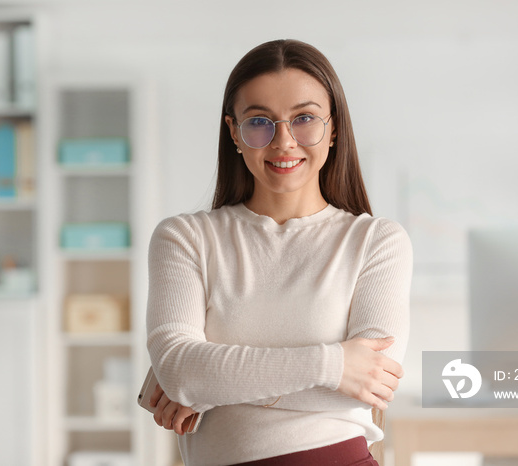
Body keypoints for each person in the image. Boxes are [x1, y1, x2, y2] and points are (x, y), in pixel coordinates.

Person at [146, 39, 412, 466]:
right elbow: (180, 371)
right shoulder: (185, 237)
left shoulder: (376, 241)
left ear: (335, 127)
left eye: (304, 118)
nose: (284, 141)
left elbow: (374, 378)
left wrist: (211, 384)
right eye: (259, 121)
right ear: (234, 131)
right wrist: (334, 366)